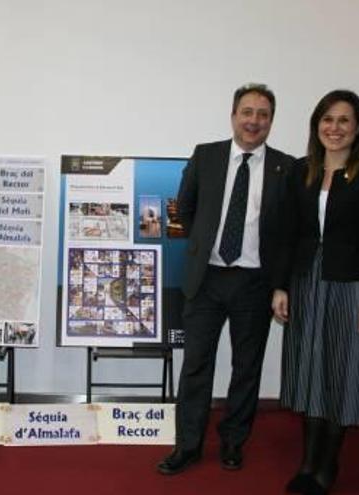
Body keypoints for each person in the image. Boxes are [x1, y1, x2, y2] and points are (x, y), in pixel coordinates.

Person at [157, 84, 295, 475]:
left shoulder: (288, 167)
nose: (254, 120)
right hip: (207, 279)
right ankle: (187, 445)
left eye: (263, 113)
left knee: (246, 367)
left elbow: (287, 233)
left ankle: (234, 442)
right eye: (247, 111)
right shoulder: (207, 156)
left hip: (255, 282)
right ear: (233, 115)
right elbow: (183, 208)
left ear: (271, 120)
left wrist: (281, 283)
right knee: (197, 365)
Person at [272, 90, 359, 494]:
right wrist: (281, 286)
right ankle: (307, 463)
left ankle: (328, 465)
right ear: (316, 125)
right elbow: (288, 235)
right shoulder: (300, 170)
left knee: (341, 373)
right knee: (308, 370)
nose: (335, 128)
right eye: (327, 119)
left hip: (351, 286)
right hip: (307, 283)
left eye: (344, 120)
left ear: (358, 127)